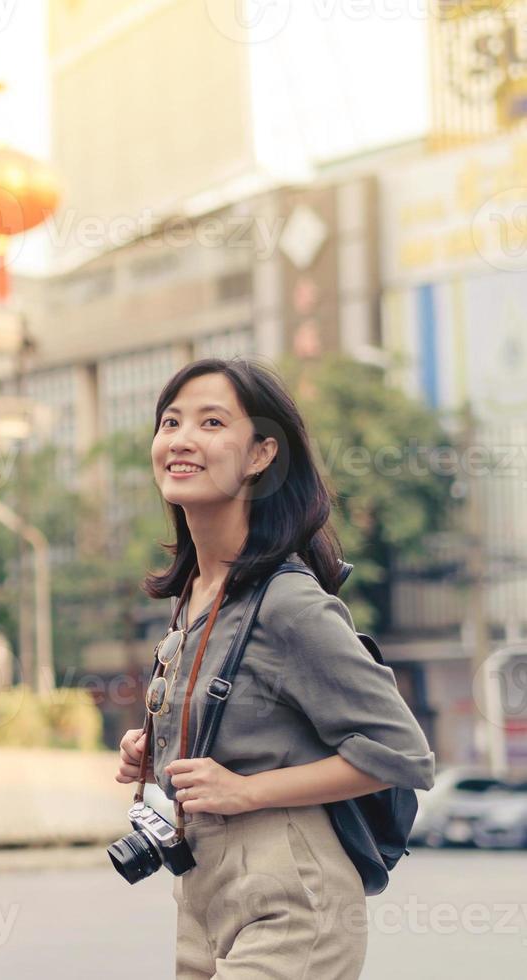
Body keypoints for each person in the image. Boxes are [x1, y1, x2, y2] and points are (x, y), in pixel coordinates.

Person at [113, 357, 435, 979]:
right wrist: (154, 748)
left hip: (290, 895)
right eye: (170, 421)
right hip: (203, 893)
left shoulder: (288, 603)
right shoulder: (196, 598)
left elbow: (401, 753)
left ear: (262, 453)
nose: (181, 440)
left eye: (211, 423)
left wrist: (246, 791)